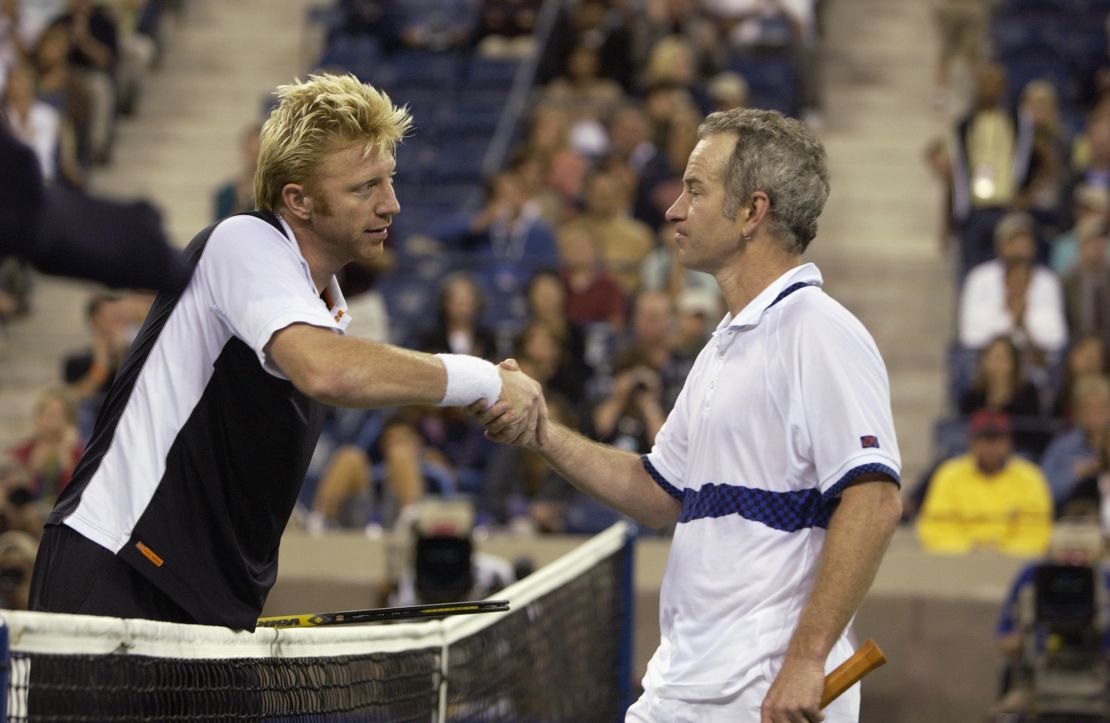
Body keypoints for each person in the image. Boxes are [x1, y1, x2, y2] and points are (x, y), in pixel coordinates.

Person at [27, 73, 545, 631]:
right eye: (364, 187)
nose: (390, 204)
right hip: (119, 571)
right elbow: (326, 371)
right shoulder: (242, 241)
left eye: (388, 180)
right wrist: (484, 380)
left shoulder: (321, 308)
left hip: (204, 603)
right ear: (297, 201)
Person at [473, 107, 903, 722]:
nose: (673, 209)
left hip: (764, 689)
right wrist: (541, 432)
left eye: (695, 190)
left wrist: (807, 660)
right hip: (686, 687)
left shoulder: (819, 331)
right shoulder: (724, 344)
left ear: (753, 212)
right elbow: (658, 492)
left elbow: (875, 501)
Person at [916, 409, 1053, 557]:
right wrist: (968, 550)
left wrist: (1005, 552)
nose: (990, 447)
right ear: (972, 442)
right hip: (958, 562)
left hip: (1013, 563)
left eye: (997, 439)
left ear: (1009, 442)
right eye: (984, 440)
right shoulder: (949, 475)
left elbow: (1037, 529)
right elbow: (935, 526)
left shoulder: (1030, 477)